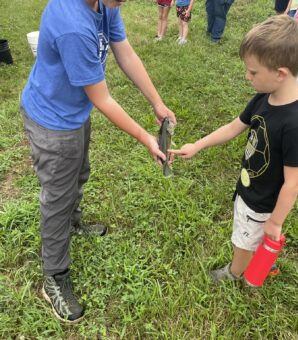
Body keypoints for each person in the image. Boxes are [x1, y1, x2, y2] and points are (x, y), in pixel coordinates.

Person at [21, 0, 176, 323]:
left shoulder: (104, 3)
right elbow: (102, 98)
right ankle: (54, 275)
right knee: (57, 198)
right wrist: (145, 137)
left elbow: (125, 52)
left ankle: (73, 222)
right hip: (52, 120)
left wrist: (157, 103)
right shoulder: (73, 25)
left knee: (79, 173)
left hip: (74, 114)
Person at [171, 15, 298, 284]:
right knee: (249, 234)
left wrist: (275, 221)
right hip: (250, 187)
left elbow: (294, 183)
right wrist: (198, 145)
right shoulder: (265, 96)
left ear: (280, 73)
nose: (247, 76)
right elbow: (234, 126)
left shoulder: (297, 123)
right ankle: (253, 258)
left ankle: (236, 273)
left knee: (243, 238)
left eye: (253, 72)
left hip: (262, 203)